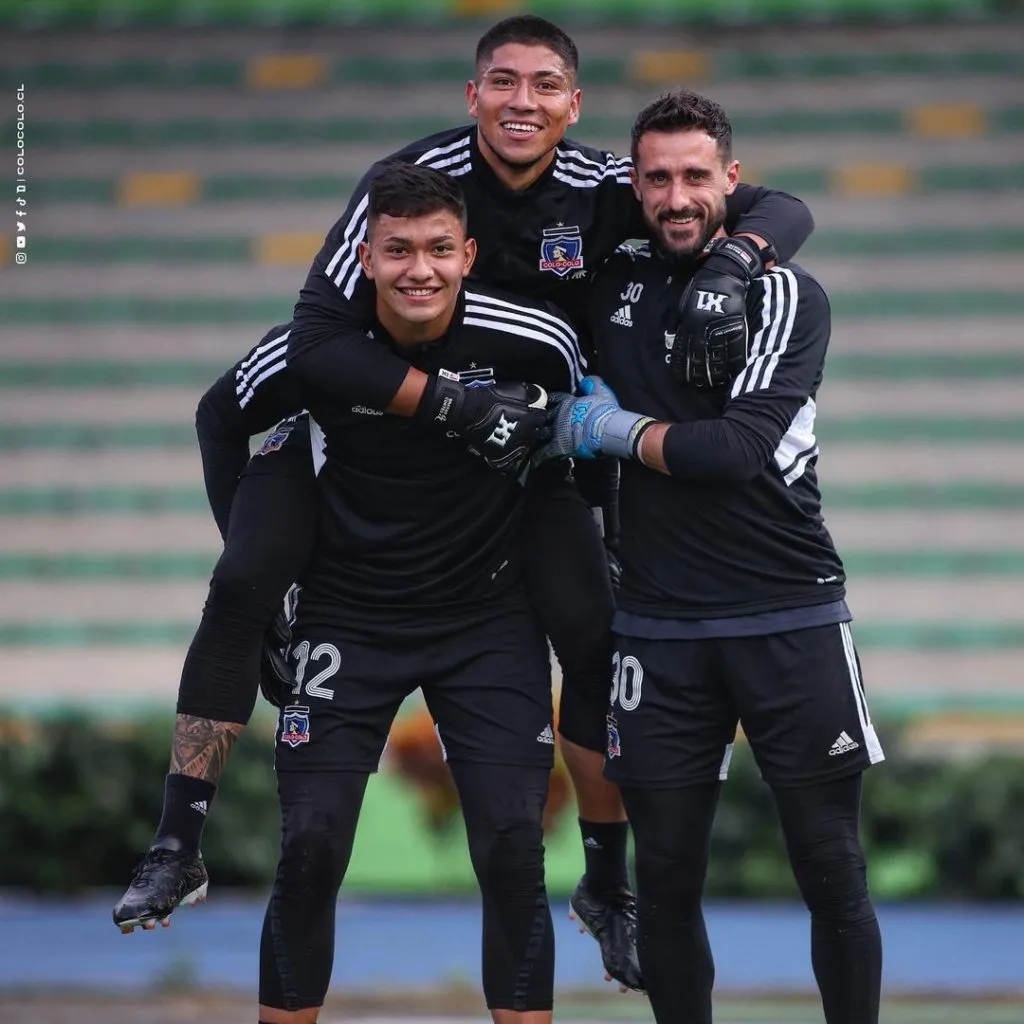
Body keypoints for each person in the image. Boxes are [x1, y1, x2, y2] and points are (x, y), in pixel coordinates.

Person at [115, 15, 815, 990]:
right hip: (363, 438)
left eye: (543, 86)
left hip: (514, 460)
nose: (521, 102)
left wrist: (736, 266)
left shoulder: (602, 196)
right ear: (471, 96)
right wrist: (444, 400)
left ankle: (605, 882)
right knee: (241, 581)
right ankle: (176, 837)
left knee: (591, 627)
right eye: (502, 83)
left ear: (572, 105)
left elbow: (775, 204)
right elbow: (311, 341)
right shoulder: (404, 180)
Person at [538, 88, 885, 1024]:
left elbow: (732, 452)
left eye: (698, 175)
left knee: (831, 871)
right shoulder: (605, 280)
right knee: (669, 882)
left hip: (792, 612)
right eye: (658, 178)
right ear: (634, 185)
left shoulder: (784, 293)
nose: (678, 195)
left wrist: (608, 428)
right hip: (656, 626)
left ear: (733, 179)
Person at [257, 162, 580, 1023]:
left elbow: (575, 468)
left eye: (439, 249)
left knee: (514, 848)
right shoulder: (321, 350)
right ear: (364, 258)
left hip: (488, 619)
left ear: (469, 254)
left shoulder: (537, 341)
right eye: (397, 250)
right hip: (347, 616)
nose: (420, 269)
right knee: (313, 845)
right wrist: (256, 573)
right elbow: (223, 415)